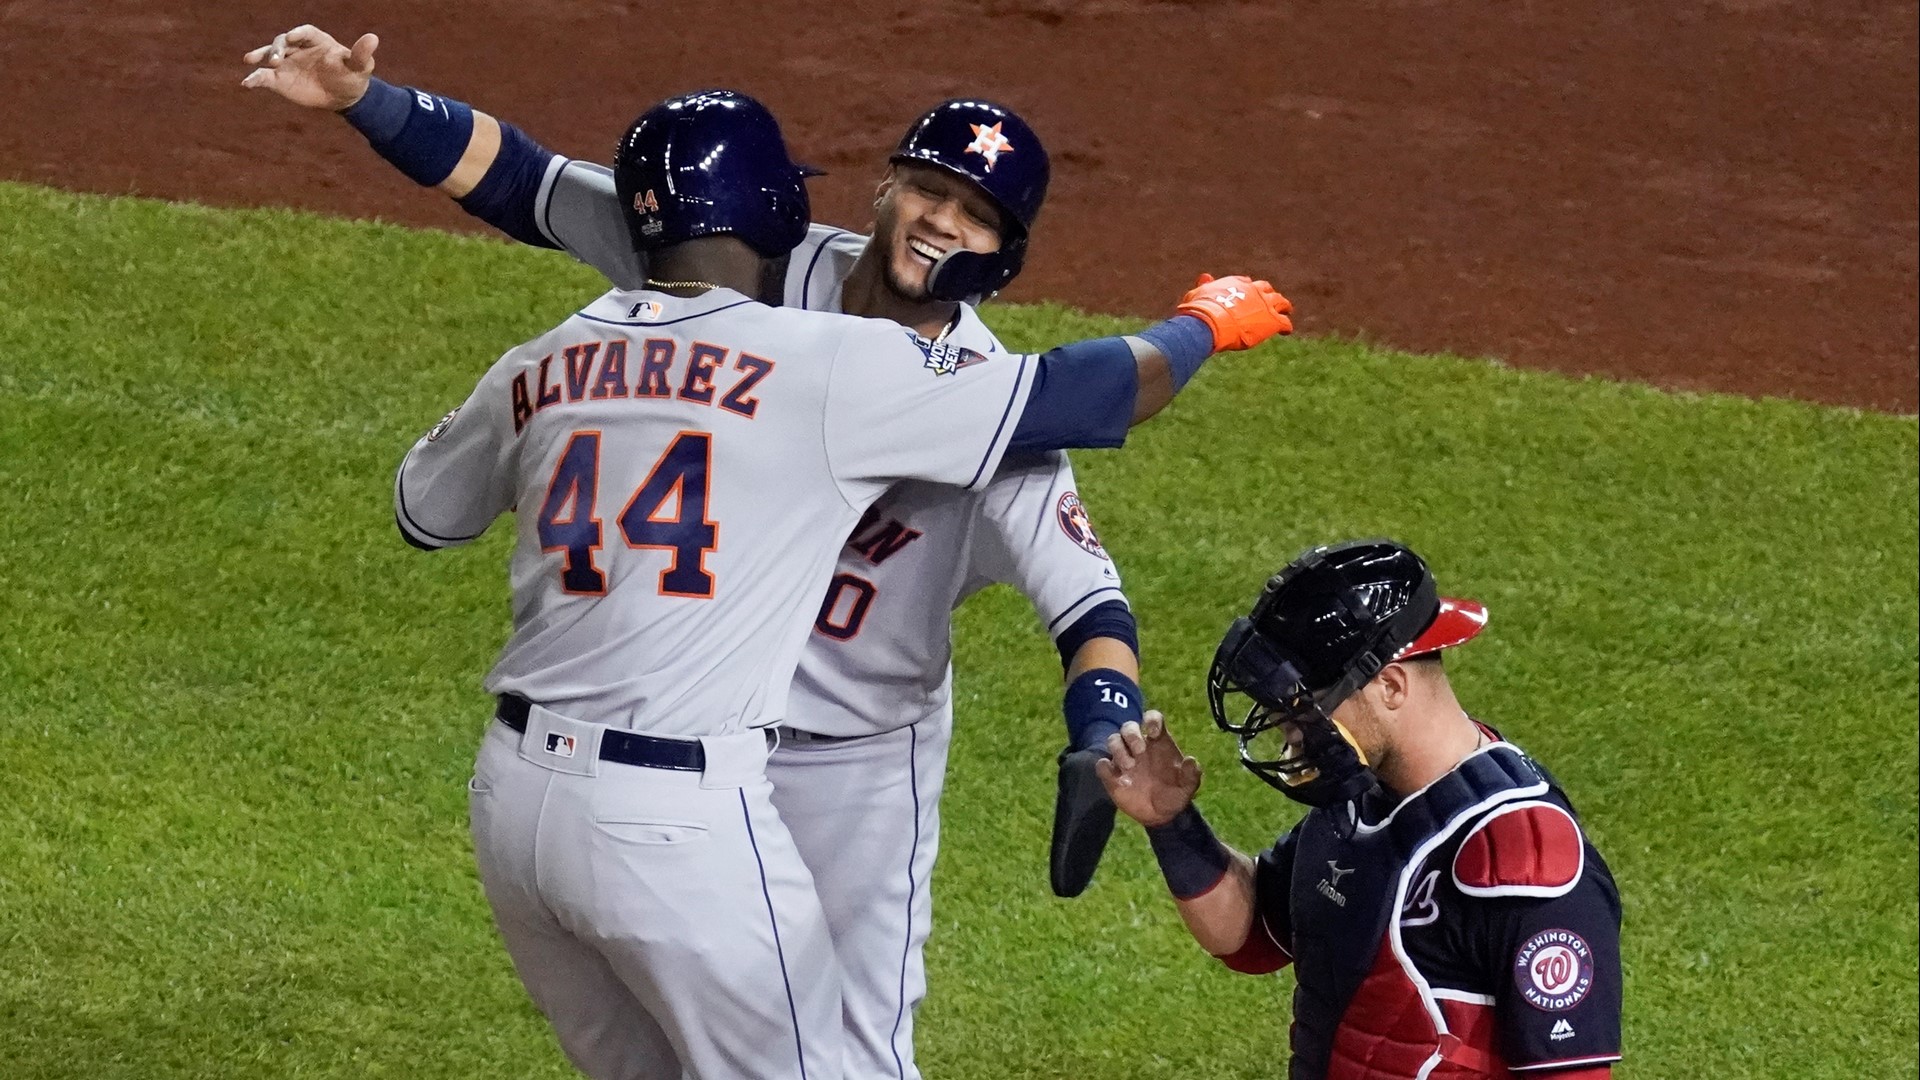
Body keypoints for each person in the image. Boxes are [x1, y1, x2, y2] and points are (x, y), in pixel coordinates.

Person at [241, 25, 1268, 1076]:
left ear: (1004, 249)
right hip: (697, 761)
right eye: (929, 189)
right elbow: (526, 183)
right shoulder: (771, 271)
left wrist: (1098, 724)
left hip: (851, 760)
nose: (941, 223)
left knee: (850, 1049)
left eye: (975, 214)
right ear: (881, 189)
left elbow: (1087, 603)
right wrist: (365, 101)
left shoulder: (973, 394)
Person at [1098, 540, 1623, 1079]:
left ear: (1390, 686)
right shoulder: (1359, 798)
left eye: (1304, 707)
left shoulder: (1517, 860)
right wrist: (1171, 823)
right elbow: (1252, 937)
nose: (1288, 731)